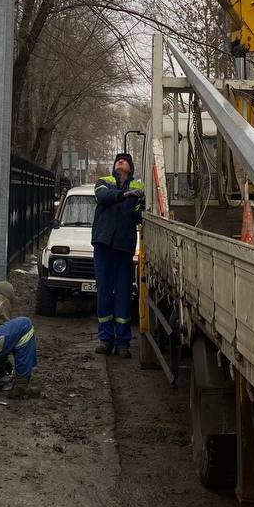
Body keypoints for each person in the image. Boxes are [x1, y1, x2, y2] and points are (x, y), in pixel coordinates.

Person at [92, 153, 144, 357]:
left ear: (130, 168)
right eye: (118, 160)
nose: (120, 161)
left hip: (123, 247)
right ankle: (106, 339)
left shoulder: (138, 188)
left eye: (125, 160)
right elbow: (102, 197)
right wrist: (125, 195)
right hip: (104, 243)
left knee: (123, 293)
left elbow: (138, 216)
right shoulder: (104, 182)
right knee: (104, 293)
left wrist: (141, 205)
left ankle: (122, 342)